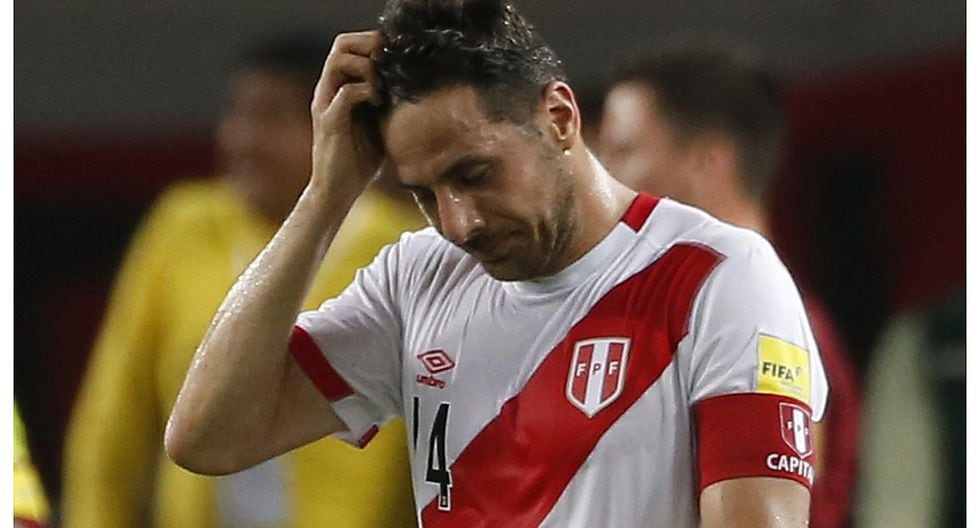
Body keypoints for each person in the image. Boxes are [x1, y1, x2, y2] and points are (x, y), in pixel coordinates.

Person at [165, 2, 828, 526]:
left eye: (475, 174)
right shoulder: (416, 277)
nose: (460, 223)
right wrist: (324, 196)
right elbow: (207, 438)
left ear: (559, 118)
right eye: (424, 194)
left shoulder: (721, 276)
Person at [62, 35, 421, 528]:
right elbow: (116, 410)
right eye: (239, 114)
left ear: (332, 123)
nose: (246, 139)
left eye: (273, 118)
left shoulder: (402, 247)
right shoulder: (183, 226)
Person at [597, 46, 862, 528]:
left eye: (623, 151)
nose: (601, 175)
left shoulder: (772, 325)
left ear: (708, 161)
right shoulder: (670, 316)